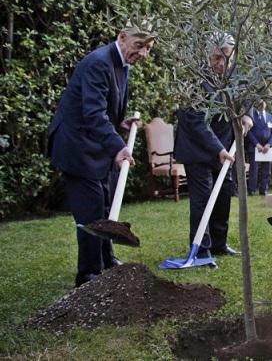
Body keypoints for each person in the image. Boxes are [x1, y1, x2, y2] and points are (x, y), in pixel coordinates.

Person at [48, 20, 154, 287]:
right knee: (91, 210)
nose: (143, 54)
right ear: (122, 38)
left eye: (149, 49)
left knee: (105, 202)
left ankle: (106, 258)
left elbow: (104, 109)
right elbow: (93, 113)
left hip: (94, 142)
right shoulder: (99, 62)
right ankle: (88, 274)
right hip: (77, 145)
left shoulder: (122, 65)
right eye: (139, 45)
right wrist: (118, 146)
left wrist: (121, 122)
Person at [174, 32, 250, 267]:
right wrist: (217, 149)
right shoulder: (195, 81)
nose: (221, 63)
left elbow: (245, 99)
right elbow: (196, 122)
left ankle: (218, 243)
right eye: (216, 57)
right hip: (198, 148)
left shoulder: (235, 75)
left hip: (224, 148)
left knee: (224, 195)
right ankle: (202, 250)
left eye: (225, 58)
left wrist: (247, 115)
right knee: (203, 197)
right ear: (208, 56)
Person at [246, 99, 272, 195]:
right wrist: (257, 144)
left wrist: (269, 144)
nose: (262, 104)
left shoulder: (271, 117)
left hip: (267, 147)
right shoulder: (252, 116)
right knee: (254, 169)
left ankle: (264, 189)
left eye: (263, 102)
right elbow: (249, 131)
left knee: (266, 169)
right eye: (259, 102)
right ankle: (252, 190)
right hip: (255, 146)